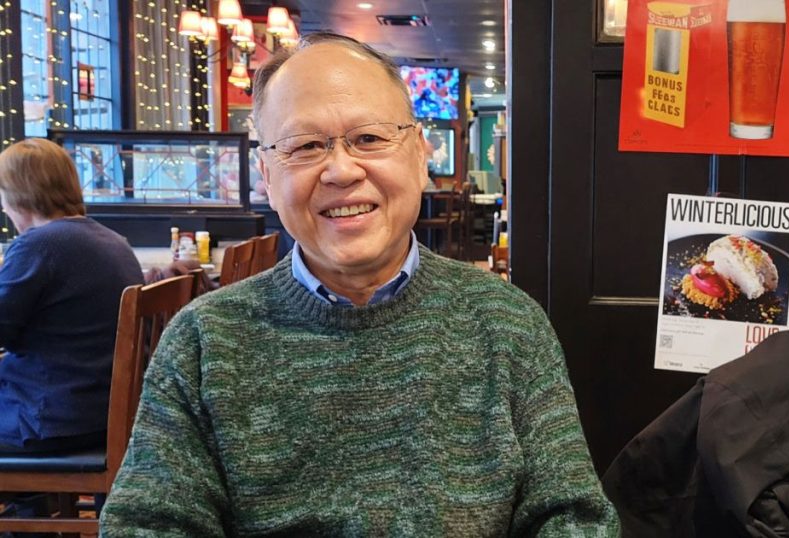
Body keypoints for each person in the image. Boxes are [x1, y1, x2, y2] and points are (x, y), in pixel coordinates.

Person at [101, 33, 619, 536]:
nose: (341, 170)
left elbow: (573, 516)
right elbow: (147, 525)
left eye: (368, 138)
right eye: (305, 146)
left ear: (419, 155)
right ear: (266, 174)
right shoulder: (204, 342)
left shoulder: (507, 322)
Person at [0, 138, 143, 453]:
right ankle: (30, 501)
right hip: (102, 415)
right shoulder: (114, 240)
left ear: (18, 194)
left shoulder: (38, 246)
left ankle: (29, 497)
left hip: (50, 418)